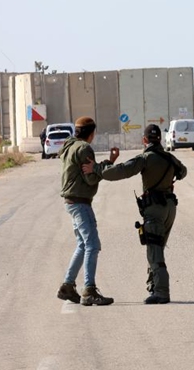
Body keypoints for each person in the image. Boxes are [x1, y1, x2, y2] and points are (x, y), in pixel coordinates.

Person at [82, 124, 187, 304]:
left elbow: (121, 171)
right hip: (170, 207)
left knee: (154, 250)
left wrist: (97, 169)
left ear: (144, 140)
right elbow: (183, 172)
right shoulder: (169, 157)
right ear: (160, 139)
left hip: (154, 209)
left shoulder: (145, 158)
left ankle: (161, 292)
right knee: (157, 248)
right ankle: (153, 285)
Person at [56, 116, 118, 306]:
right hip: (80, 202)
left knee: (83, 245)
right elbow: (91, 178)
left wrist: (105, 163)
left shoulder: (69, 146)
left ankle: (67, 286)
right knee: (92, 245)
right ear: (92, 133)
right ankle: (89, 290)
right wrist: (108, 163)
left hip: (72, 202)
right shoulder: (84, 149)